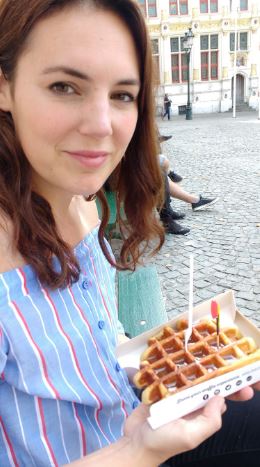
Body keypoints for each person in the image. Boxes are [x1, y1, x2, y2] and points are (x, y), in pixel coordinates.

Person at [0, 1, 259, 466]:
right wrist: (136, 451)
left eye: (122, 95)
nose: (102, 126)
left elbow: (102, 348)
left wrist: (181, 366)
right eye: (64, 86)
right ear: (4, 85)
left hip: (136, 418)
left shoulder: (83, 206)